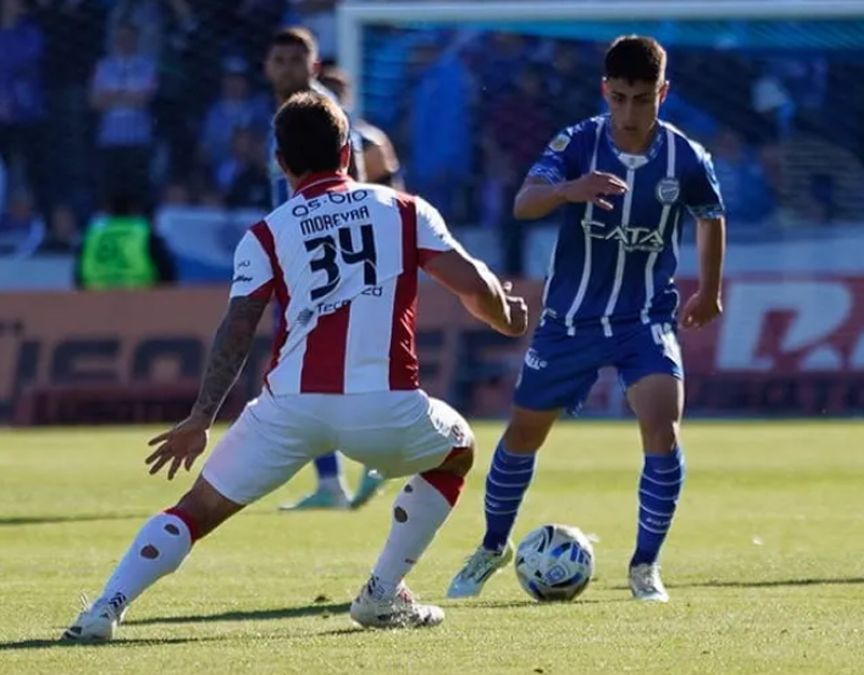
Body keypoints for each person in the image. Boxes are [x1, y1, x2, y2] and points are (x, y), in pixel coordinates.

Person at [62, 92, 528, 641]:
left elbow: (237, 330)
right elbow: (474, 284)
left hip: (289, 409)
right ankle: (382, 593)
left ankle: (105, 607)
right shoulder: (404, 210)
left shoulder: (266, 233)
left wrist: (201, 416)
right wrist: (507, 319)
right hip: (384, 406)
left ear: (281, 163)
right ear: (348, 150)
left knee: (197, 509)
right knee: (457, 452)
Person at [445, 36, 726, 603]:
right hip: (570, 320)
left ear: (662, 94)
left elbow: (710, 216)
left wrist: (710, 290)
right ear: (605, 90)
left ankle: (645, 566)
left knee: (662, 427)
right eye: (619, 98)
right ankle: (492, 546)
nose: (629, 112)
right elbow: (525, 202)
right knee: (523, 434)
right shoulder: (576, 142)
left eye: (642, 99)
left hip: (644, 318)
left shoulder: (686, 157)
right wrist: (572, 190)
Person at [263, 26, 379, 510]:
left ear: (313, 66)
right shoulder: (280, 115)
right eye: (279, 60)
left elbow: (355, 182)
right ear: (267, 68)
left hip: (326, 260)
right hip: (295, 255)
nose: (287, 69)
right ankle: (335, 478)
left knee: (326, 364)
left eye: (296, 60)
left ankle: (377, 458)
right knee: (314, 368)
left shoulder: (324, 113)